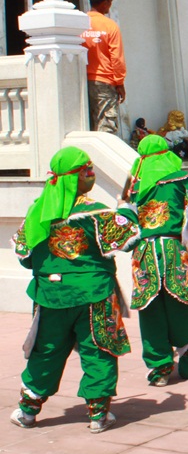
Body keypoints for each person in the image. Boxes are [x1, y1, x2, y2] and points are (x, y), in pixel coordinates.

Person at [11, 147, 140, 433]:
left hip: (50, 295)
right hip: (94, 294)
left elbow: (24, 256)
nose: (91, 173)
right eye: (86, 169)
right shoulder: (95, 213)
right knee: (98, 349)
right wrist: (125, 208)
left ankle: (27, 411)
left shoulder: (37, 212)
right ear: (73, 176)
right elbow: (129, 237)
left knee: (47, 351)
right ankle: (98, 414)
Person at [128, 134, 188, 386]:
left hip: (144, 253)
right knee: (180, 306)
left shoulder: (134, 189)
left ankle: (160, 368)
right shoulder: (178, 182)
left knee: (150, 311)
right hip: (172, 250)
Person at [81, 0, 126, 134]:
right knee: (106, 127)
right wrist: (119, 82)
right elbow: (116, 57)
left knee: (86, 125)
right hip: (105, 82)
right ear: (105, 3)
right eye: (110, 0)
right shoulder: (110, 26)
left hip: (82, 81)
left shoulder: (80, 24)